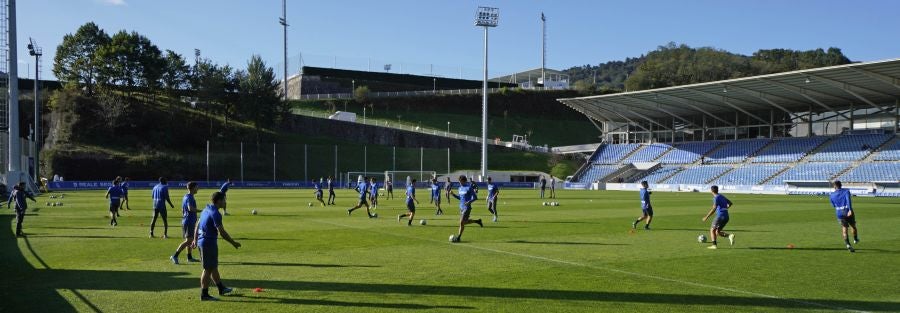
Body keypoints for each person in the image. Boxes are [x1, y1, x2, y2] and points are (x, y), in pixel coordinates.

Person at [191, 191, 241, 301]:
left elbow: (197, 224)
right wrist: (233, 243)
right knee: (207, 269)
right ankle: (204, 294)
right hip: (208, 243)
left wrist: (195, 239)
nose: (225, 202)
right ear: (219, 201)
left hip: (202, 241)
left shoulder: (206, 208)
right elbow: (222, 232)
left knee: (213, 267)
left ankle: (221, 288)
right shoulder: (216, 214)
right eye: (224, 199)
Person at [171, 182, 201, 264]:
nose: (198, 188)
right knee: (189, 241)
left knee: (189, 240)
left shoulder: (186, 196)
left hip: (187, 220)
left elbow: (183, 210)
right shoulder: (190, 197)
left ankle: (189, 257)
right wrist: (201, 211)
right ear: (193, 188)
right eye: (197, 187)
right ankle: (175, 255)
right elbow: (190, 208)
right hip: (189, 221)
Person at [450, 175, 483, 242]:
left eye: (460, 181)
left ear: (464, 181)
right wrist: (453, 194)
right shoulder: (459, 188)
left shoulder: (469, 188)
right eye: (459, 181)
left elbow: (475, 197)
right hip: (461, 207)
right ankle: (477, 221)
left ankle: (458, 238)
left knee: (461, 222)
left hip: (467, 208)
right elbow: (460, 198)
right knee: (464, 222)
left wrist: (469, 202)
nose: (459, 182)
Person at [829, 181, 859, 253]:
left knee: (844, 229)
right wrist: (850, 210)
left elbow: (833, 205)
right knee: (853, 226)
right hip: (847, 211)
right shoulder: (846, 191)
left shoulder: (832, 195)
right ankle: (855, 239)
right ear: (841, 185)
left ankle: (848, 244)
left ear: (834, 187)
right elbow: (849, 201)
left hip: (839, 213)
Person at [702, 185, 735, 249]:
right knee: (718, 232)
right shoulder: (721, 196)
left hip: (720, 216)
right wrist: (725, 209)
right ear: (717, 190)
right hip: (726, 216)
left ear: (711, 191)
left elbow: (714, 208)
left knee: (712, 230)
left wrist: (706, 217)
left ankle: (714, 245)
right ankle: (730, 236)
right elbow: (730, 203)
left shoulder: (716, 198)